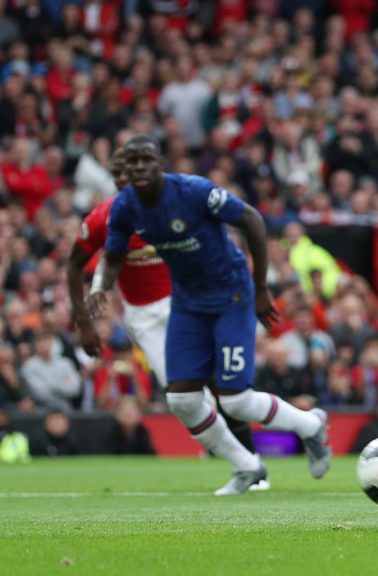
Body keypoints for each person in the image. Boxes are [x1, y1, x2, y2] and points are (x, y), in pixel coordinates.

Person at [89, 135, 331, 495]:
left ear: (161, 164)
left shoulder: (193, 191)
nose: (139, 167)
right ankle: (246, 466)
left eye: (146, 159)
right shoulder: (125, 206)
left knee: (234, 398)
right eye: (132, 161)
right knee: (181, 399)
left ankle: (310, 425)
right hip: (187, 303)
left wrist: (262, 287)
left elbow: (251, 218)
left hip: (230, 296)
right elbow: (112, 255)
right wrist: (99, 287)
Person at [66, 147, 268, 491]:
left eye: (127, 172)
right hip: (143, 316)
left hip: (184, 301)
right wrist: (84, 319)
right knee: (182, 395)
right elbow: (87, 265)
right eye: (117, 174)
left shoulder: (169, 205)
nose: (123, 179)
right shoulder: (106, 219)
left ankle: (249, 460)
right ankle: (244, 465)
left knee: (222, 383)